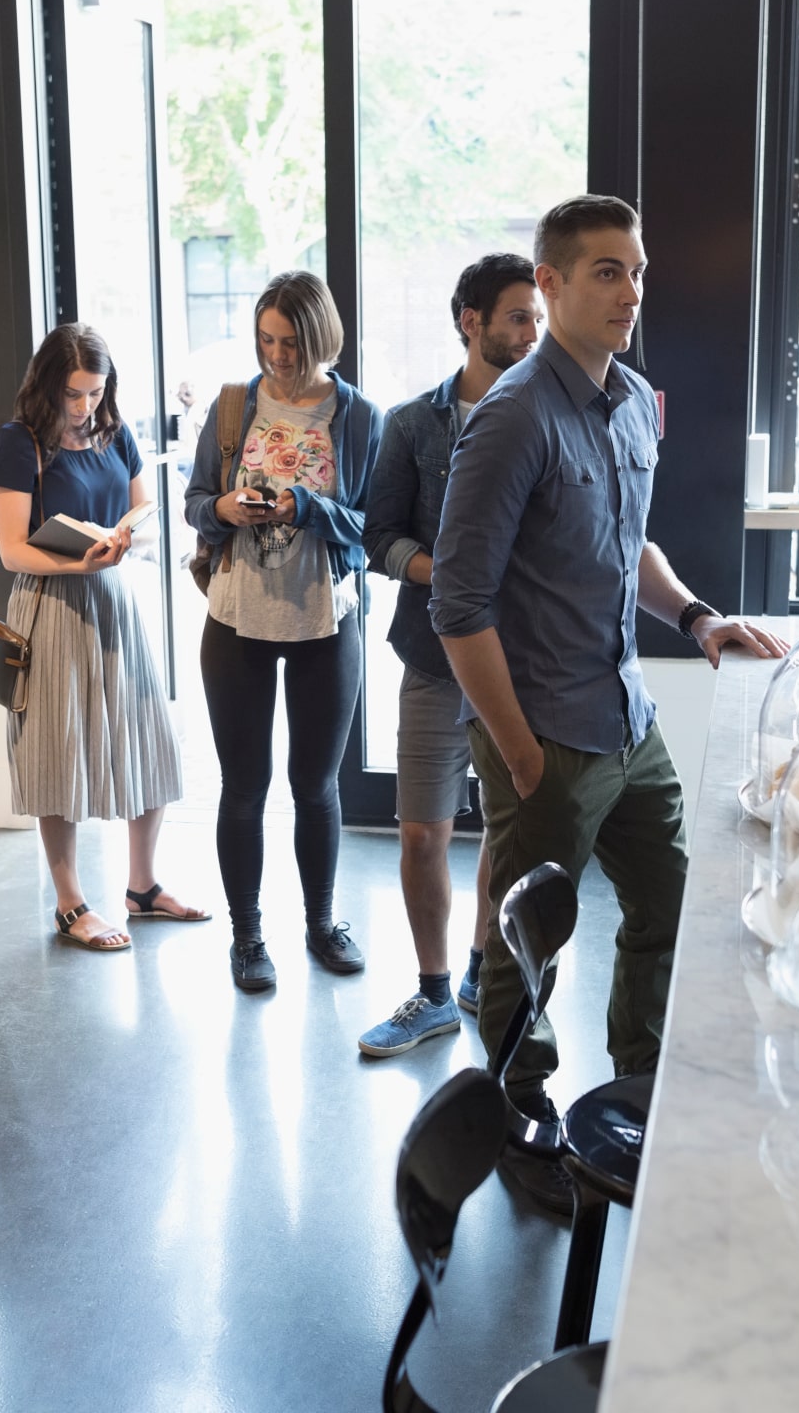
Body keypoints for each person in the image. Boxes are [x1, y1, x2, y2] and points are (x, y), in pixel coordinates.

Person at [431, 196, 787, 1213]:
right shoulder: (510, 421)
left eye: (635, 270)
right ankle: (517, 1118)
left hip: (626, 721)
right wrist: (520, 753)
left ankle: (641, 1089)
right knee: (528, 949)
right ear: (547, 286)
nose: (628, 291)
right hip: (544, 732)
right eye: (603, 272)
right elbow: (458, 607)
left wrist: (697, 618)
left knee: (674, 905)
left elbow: (629, 545)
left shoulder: (631, 400)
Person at [355, 253, 541, 1057]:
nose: (533, 333)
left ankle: (478, 971)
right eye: (518, 318)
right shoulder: (411, 424)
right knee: (422, 833)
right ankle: (432, 993)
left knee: (507, 828)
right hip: (433, 655)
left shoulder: (549, 413)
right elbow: (377, 538)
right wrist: (453, 571)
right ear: (472, 322)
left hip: (525, 659)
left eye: (537, 317)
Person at [184, 271, 383, 992]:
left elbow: (374, 531)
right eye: (267, 340)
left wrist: (304, 505)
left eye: (291, 343)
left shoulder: (359, 418)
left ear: (320, 337)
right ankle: (247, 937)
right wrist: (228, 508)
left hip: (326, 619)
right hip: (237, 616)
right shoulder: (234, 406)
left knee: (315, 783)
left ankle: (322, 925)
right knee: (244, 783)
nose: (277, 356)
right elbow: (195, 503)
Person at [0, 325, 205, 951]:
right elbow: (11, 550)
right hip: (52, 604)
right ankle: (70, 902)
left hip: (112, 599)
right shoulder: (18, 442)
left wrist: (122, 539)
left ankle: (142, 887)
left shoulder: (116, 431)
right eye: (74, 394)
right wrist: (81, 562)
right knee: (60, 749)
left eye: (95, 392)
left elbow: (137, 508)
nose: (84, 407)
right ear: (49, 385)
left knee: (148, 736)